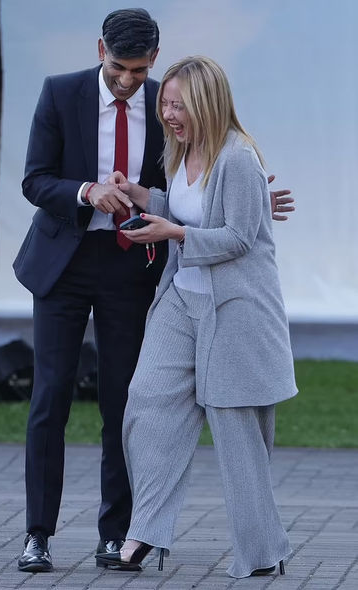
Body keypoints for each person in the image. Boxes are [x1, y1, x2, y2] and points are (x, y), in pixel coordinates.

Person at [14, 8, 294, 572]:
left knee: (126, 402)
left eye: (141, 71)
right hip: (66, 266)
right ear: (100, 50)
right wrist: (88, 191)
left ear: (156, 61)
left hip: (135, 268)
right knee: (53, 399)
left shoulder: (174, 107)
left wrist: (247, 204)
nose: (129, 81)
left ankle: (119, 535)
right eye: (120, 68)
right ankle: (37, 535)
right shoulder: (62, 94)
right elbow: (35, 180)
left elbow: (208, 192)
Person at [96, 56, 298, 578]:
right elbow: (188, 207)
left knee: (236, 430)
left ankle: (263, 552)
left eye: (178, 105)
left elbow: (238, 238)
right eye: (165, 104)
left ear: (207, 103)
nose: (168, 114)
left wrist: (175, 234)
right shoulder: (179, 151)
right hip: (182, 298)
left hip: (234, 310)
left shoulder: (239, 158)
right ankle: (145, 531)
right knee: (146, 403)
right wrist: (145, 197)